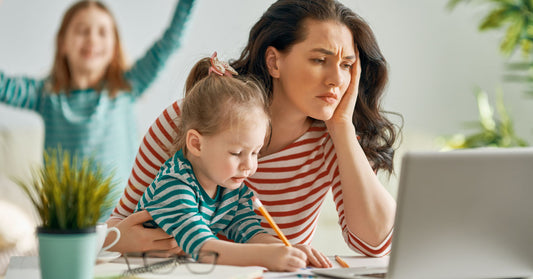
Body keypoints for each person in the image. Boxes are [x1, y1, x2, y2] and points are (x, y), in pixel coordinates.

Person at [107, 0, 400, 262]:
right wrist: (118, 240)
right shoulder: (187, 120)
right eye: (319, 60)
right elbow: (120, 221)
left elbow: (376, 245)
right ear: (274, 61)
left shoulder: (333, 141)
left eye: (347, 65)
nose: (337, 79)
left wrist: (342, 127)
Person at [0, 0, 195, 218]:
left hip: (122, 220)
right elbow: (3, 86)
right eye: (82, 31)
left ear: (114, 47)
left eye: (102, 32)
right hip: (67, 223)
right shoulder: (46, 96)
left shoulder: (126, 87)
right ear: (63, 43)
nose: (92, 38)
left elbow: (168, 44)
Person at [134, 52, 327, 271]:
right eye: (236, 153)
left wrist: (289, 248)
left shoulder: (229, 188)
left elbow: (251, 233)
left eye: (255, 153)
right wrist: (267, 256)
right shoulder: (174, 186)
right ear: (196, 144)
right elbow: (203, 248)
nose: (249, 166)